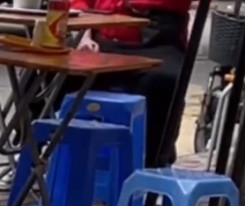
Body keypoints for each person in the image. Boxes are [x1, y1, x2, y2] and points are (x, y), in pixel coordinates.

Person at [66, 0, 192, 166]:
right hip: (102, 31)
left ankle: (149, 166)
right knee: (57, 72)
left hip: (158, 36)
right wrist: (84, 32)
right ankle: (42, 156)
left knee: (162, 82)